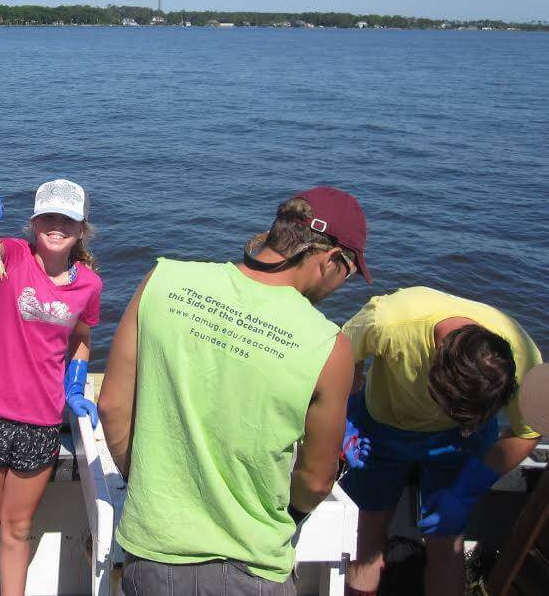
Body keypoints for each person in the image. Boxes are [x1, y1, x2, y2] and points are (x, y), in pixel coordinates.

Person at [99, 186, 371, 596]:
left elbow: (113, 407)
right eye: (348, 274)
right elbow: (316, 480)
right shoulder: (328, 347)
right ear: (331, 260)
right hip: (253, 567)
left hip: (153, 558)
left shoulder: (164, 280)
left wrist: (152, 488)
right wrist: (287, 516)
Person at [341, 287, 543, 596]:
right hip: (384, 428)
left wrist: (466, 490)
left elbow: (527, 432)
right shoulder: (388, 321)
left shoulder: (525, 357)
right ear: (433, 370)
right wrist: (344, 417)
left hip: (462, 443)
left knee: (447, 542)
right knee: (369, 533)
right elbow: (342, 356)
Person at [0, 179, 103, 596]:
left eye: (67, 219)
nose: (56, 225)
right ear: (34, 223)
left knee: (18, 529)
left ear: (81, 229)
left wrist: (75, 387)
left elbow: (80, 337)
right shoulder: (14, 257)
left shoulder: (89, 285)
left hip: (41, 421)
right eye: (48, 217)